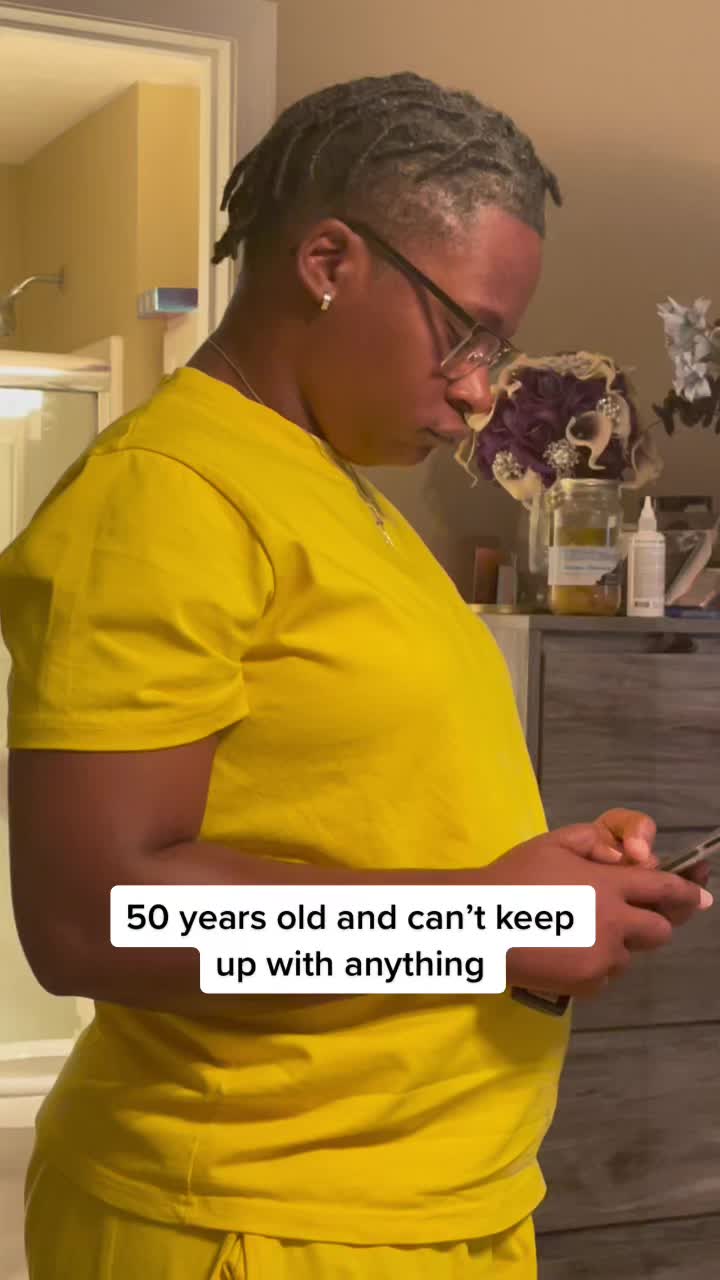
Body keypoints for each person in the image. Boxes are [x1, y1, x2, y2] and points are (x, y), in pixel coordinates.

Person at [0, 72, 710, 1280]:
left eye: (498, 349)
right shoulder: (165, 495)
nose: (480, 388)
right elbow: (89, 918)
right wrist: (494, 922)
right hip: (260, 1219)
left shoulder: (335, 494)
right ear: (329, 261)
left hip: (428, 1200)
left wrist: (541, 872)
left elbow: (356, 812)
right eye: (466, 331)